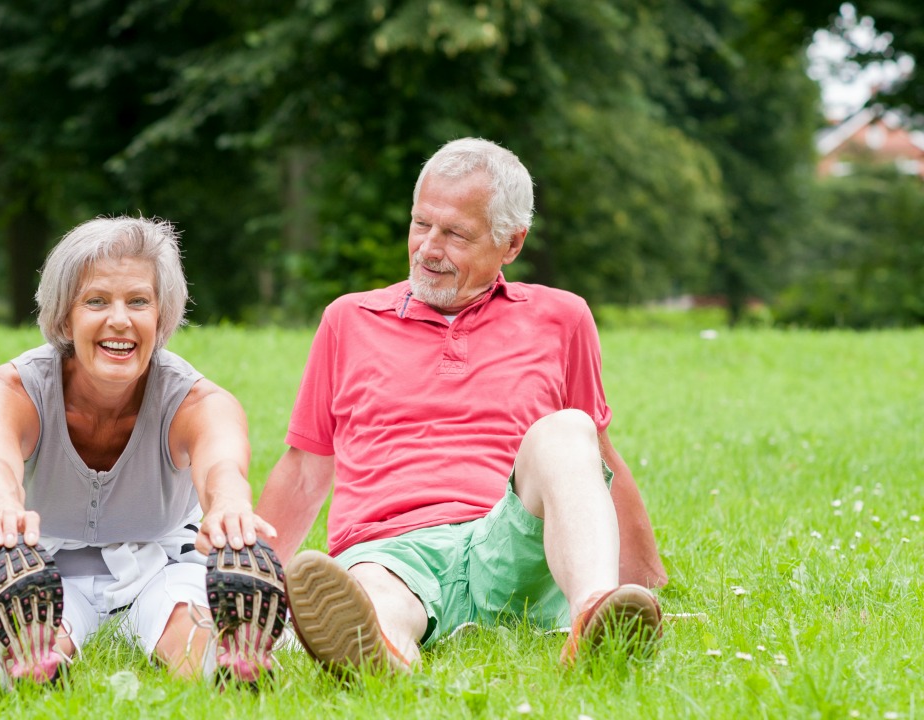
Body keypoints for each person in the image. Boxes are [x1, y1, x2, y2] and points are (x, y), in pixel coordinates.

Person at [256, 138, 668, 673]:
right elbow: (305, 468)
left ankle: (595, 615)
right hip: (390, 548)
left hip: (508, 541)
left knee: (568, 429)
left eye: (455, 234)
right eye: (421, 223)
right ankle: (382, 654)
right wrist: (253, 587)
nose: (428, 248)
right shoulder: (347, 321)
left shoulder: (562, 318)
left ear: (512, 243)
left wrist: (645, 587)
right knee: (373, 596)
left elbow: (594, 459)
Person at [0, 217, 284, 687]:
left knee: (184, 618)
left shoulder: (199, 402)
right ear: (65, 316)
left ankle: (230, 662)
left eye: (138, 301)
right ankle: (30, 661)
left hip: (161, 561)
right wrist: (2, 508)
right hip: (39, 569)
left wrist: (229, 509)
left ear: (161, 315)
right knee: (35, 630)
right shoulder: (8, 390)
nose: (119, 320)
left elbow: (223, 466)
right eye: (95, 301)